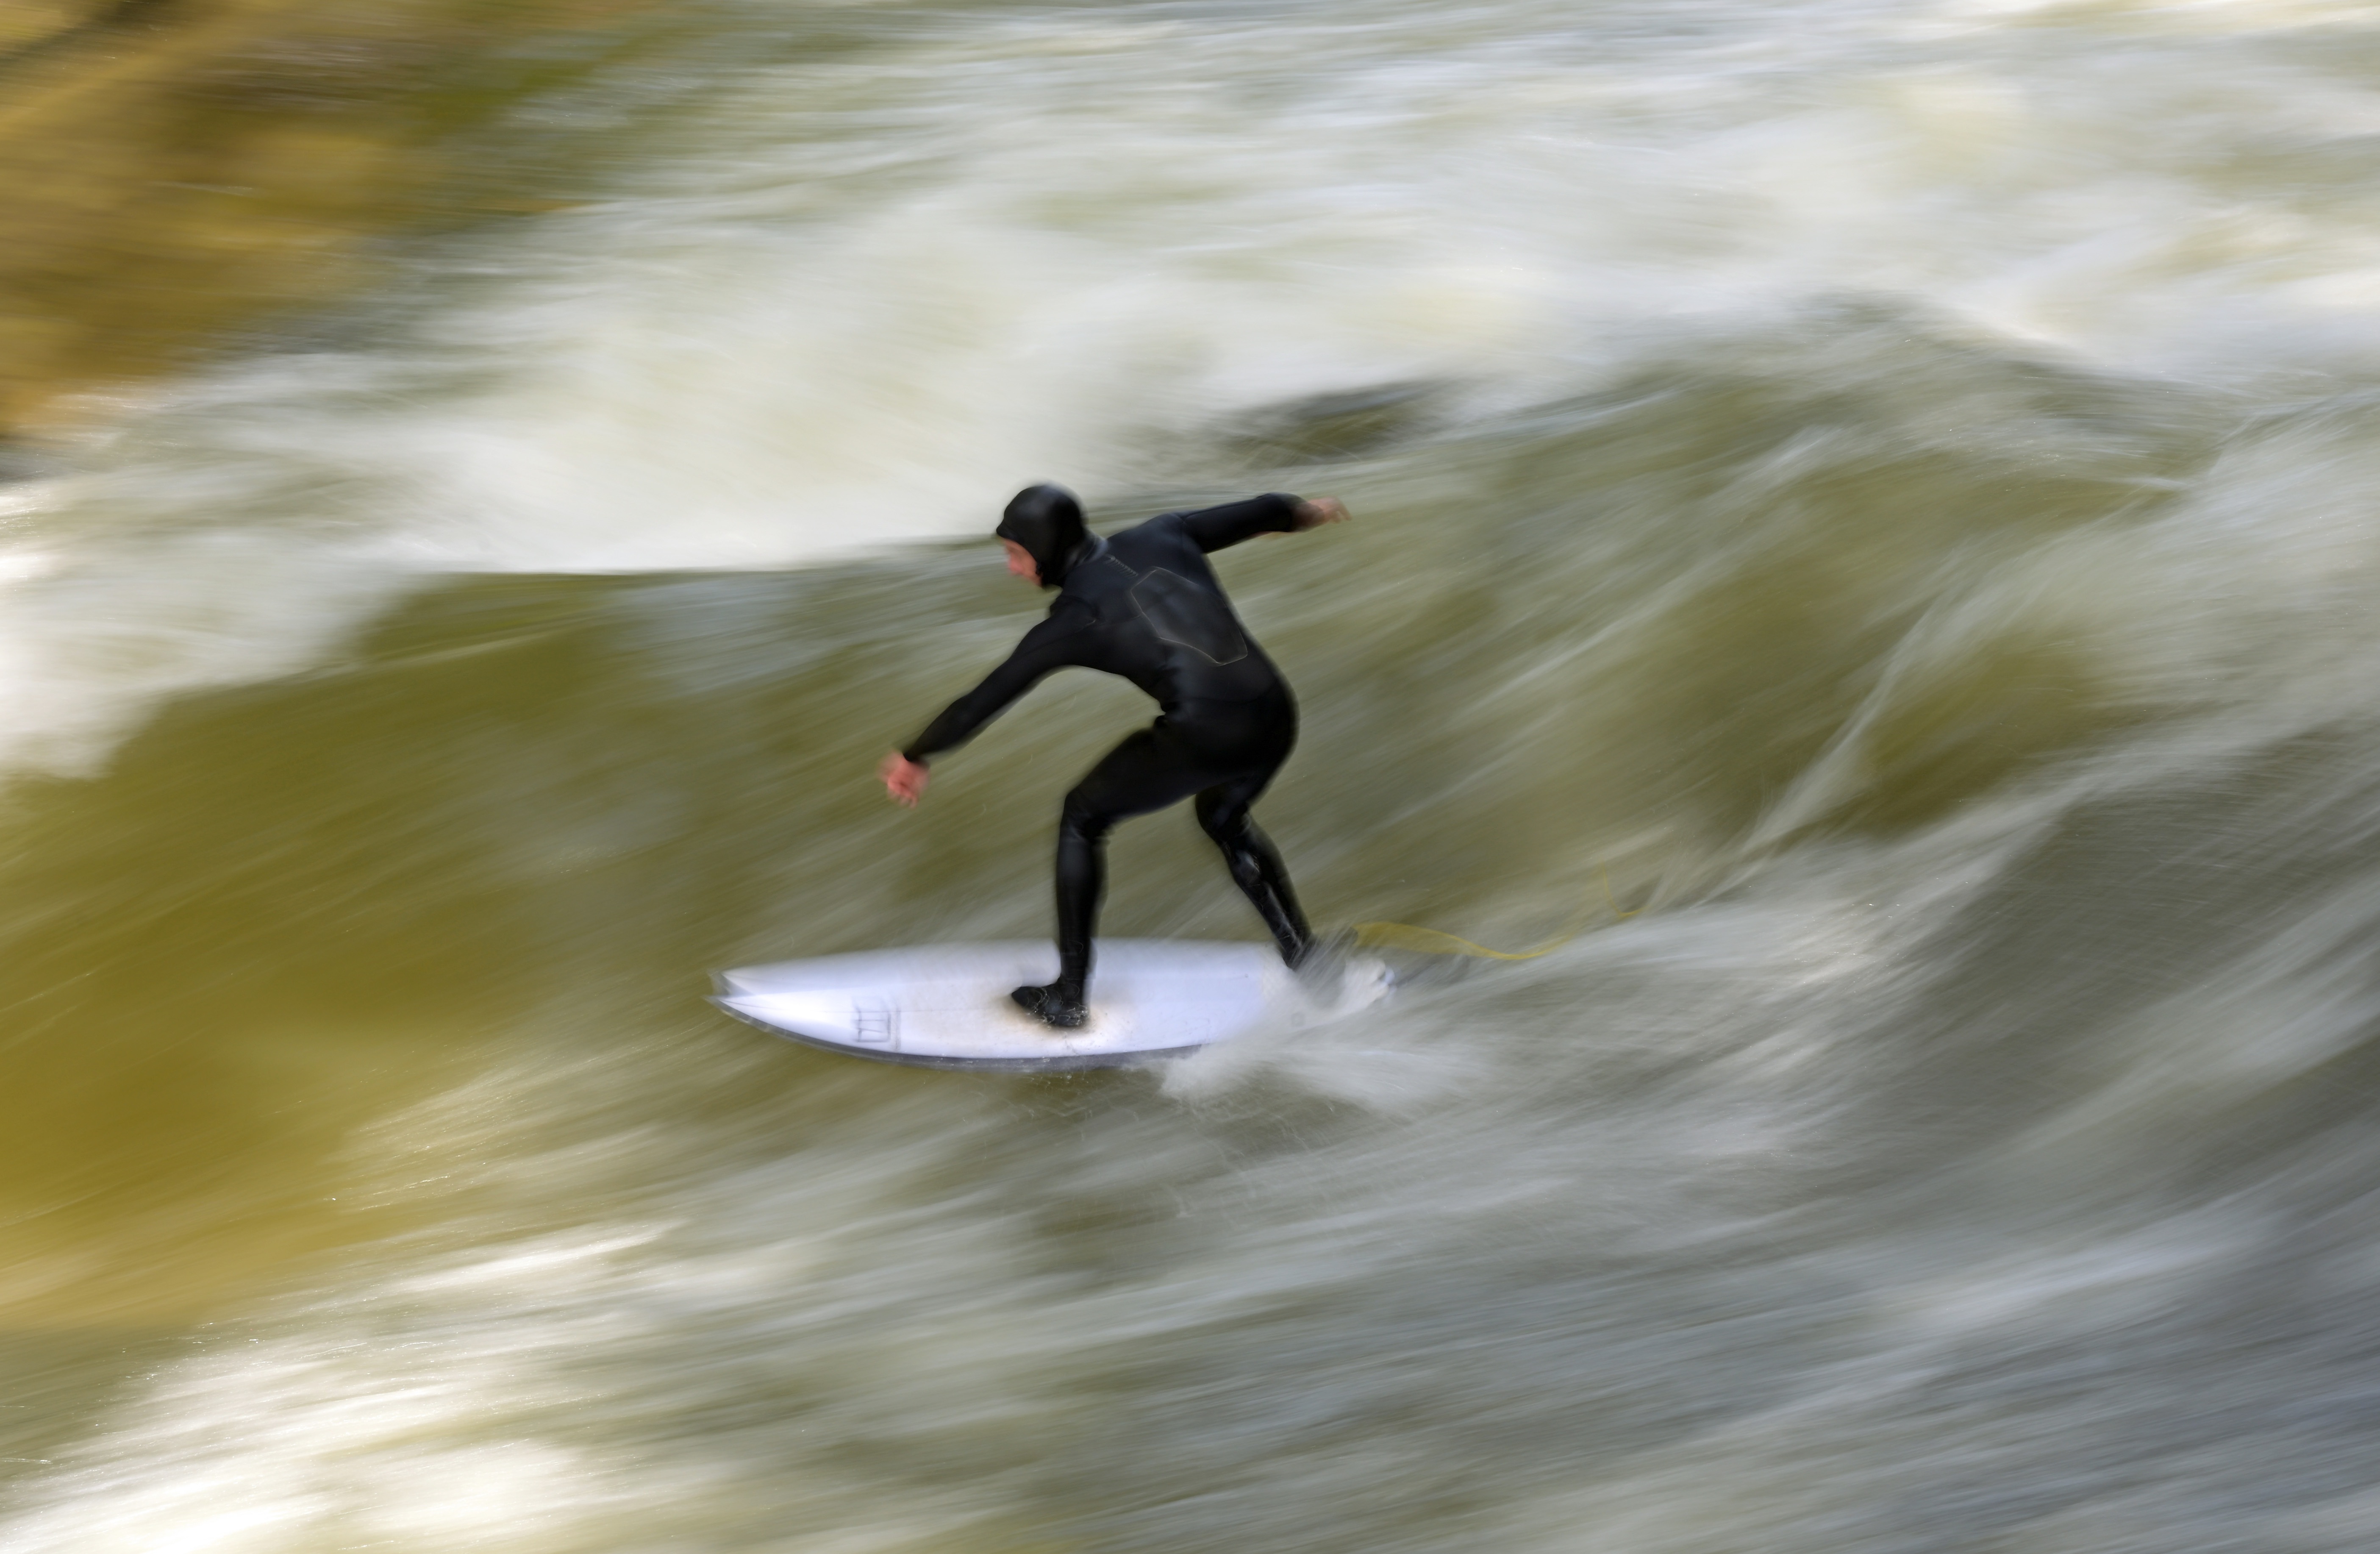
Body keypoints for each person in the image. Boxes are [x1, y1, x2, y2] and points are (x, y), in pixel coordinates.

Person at [881, 483, 1351, 1029]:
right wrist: (1305, 514)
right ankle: (1306, 958)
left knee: (1082, 815)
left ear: (1045, 548)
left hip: (1210, 731)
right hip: (1274, 712)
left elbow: (980, 702)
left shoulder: (1074, 620)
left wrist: (915, 756)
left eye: (1015, 553)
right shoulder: (1162, 534)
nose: (1011, 568)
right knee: (1223, 818)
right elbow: (1262, 511)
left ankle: (1069, 998)